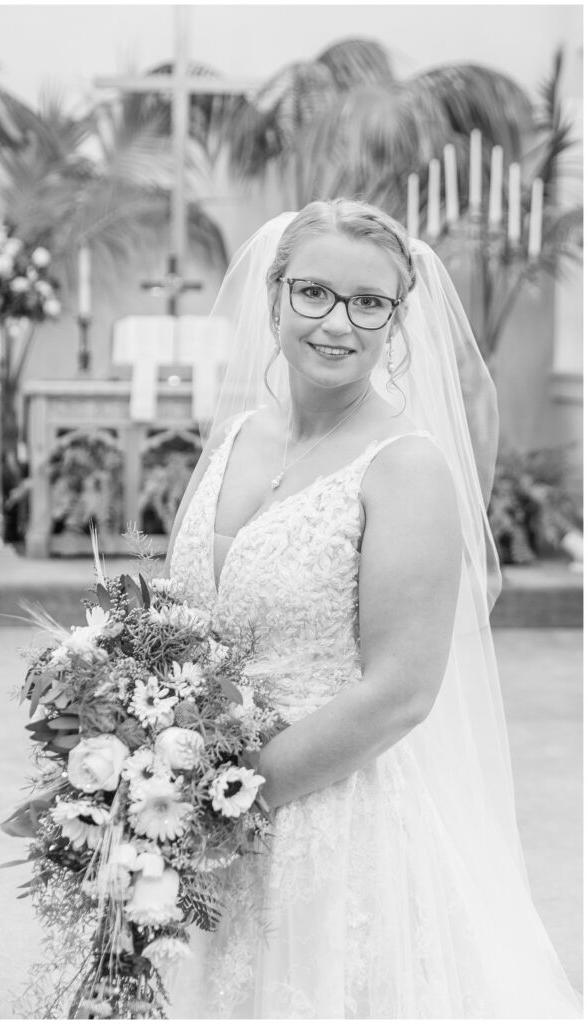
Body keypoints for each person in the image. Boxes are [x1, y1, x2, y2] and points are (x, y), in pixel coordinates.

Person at [163, 199, 581, 1018]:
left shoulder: (408, 470)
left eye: (369, 303)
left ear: (397, 320)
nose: (338, 325)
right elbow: (180, 621)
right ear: (276, 293)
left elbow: (399, 693)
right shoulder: (238, 436)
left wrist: (220, 801)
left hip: (328, 825)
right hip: (188, 811)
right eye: (314, 292)